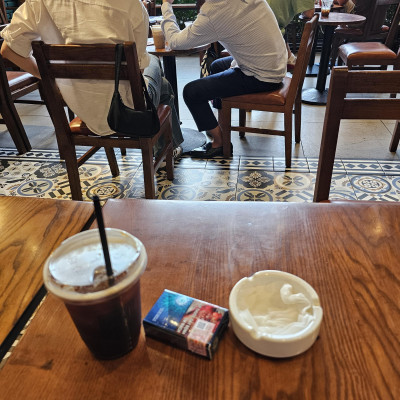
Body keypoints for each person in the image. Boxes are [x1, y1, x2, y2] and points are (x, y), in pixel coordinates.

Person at [0, 0, 184, 157]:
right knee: (153, 63)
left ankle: (169, 146)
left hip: (80, 106)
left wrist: (51, 80)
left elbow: (8, 50)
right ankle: (165, 149)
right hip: (125, 110)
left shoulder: (38, 3)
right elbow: (139, 71)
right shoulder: (131, 4)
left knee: (164, 86)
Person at [161, 0, 287, 158]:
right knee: (217, 66)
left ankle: (220, 143)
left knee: (191, 92)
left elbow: (174, 41)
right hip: (275, 65)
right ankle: (218, 126)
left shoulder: (215, 10)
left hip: (262, 77)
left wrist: (166, 5)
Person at [266, 0, 315, 69]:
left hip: (262, 27)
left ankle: (289, 57)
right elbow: (308, 13)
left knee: (279, 25)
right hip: (266, 38)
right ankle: (288, 59)